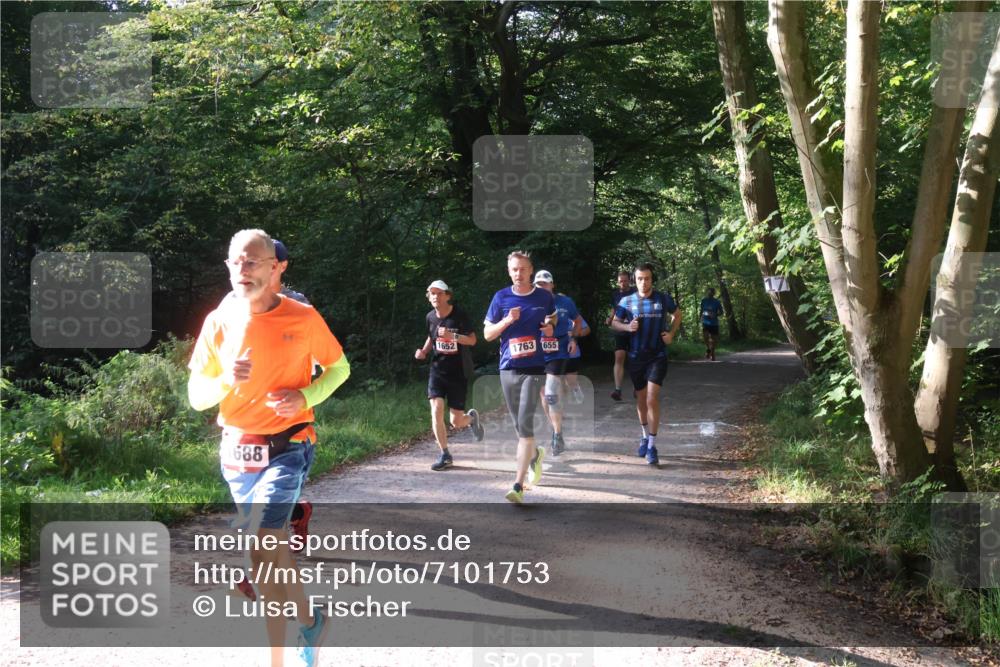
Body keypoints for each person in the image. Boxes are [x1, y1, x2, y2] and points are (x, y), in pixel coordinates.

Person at [188, 229, 350, 667]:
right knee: (273, 557)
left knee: (262, 551)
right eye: (236, 262)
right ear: (228, 266)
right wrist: (226, 380)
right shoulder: (218, 321)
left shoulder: (303, 317)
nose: (244, 269)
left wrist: (307, 397)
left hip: (288, 446)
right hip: (238, 450)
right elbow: (197, 396)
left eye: (253, 261)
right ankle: (311, 622)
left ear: (274, 267)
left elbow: (339, 368)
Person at [220, 239, 312, 552]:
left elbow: (316, 359)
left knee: (272, 501)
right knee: (255, 502)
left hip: (285, 413)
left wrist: (302, 394)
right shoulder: (232, 301)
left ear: (281, 266)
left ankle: (264, 559)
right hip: (244, 418)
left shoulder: (298, 304)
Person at [483, 251, 557, 504]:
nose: (519, 273)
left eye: (523, 269)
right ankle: (535, 454)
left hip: (534, 367)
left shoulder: (543, 297)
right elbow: (487, 335)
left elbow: (552, 319)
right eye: (514, 269)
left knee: (525, 425)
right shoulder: (500, 297)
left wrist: (549, 327)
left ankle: (518, 484)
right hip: (508, 367)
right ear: (509, 271)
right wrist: (506, 320)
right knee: (519, 427)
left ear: (531, 270)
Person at [611, 263, 681, 467]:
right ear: (635, 280)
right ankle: (644, 436)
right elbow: (615, 322)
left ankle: (652, 445)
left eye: (647, 278)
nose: (643, 282)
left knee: (651, 397)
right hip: (635, 357)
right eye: (640, 279)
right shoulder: (626, 301)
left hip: (657, 355)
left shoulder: (662, 298)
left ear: (652, 279)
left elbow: (678, 314)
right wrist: (626, 326)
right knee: (641, 399)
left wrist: (671, 334)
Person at [414, 280, 484, 470]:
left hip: (458, 372)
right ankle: (445, 454)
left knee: (456, 421)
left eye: (439, 293)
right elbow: (431, 335)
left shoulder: (459, 315)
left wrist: (452, 336)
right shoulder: (430, 317)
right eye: (432, 293)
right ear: (429, 297)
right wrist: (424, 351)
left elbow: (472, 340)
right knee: (436, 408)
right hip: (437, 370)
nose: (435, 296)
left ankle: (471, 419)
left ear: (447, 296)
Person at [532, 270, 581, 456]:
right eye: (538, 284)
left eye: (545, 284)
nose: (541, 287)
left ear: (552, 285)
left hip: (558, 351)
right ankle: (555, 428)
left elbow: (577, 321)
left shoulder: (564, 302)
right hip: (538, 353)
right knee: (545, 396)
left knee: (551, 392)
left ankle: (558, 434)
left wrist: (573, 339)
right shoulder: (531, 303)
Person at [606, 271, 635, 401]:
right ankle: (617, 390)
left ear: (629, 280)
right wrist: (610, 318)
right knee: (619, 356)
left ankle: (638, 388)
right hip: (621, 329)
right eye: (620, 281)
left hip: (634, 330)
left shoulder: (636, 292)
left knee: (636, 358)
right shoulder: (615, 294)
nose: (622, 283)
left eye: (625, 280)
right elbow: (615, 309)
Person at [565, 316, 591, 404]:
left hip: (572, 353)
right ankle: (560, 408)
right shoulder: (546, 311)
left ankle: (576, 389)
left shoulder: (572, 313)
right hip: (554, 354)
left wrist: (575, 333)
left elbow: (587, 329)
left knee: (571, 380)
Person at [700, 287, 724, 361]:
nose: (710, 293)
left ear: (714, 293)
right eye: (709, 292)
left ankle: (712, 352)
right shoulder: (704, 301)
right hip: (705, 322)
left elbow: (721, 312)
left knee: (714, 340)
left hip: (714, 323)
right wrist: (700, 317)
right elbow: (701, 310)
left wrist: (715, 315)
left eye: (712, 292)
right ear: (707, 293)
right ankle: (708, 349)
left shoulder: (717, 302)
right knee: (705, 337)